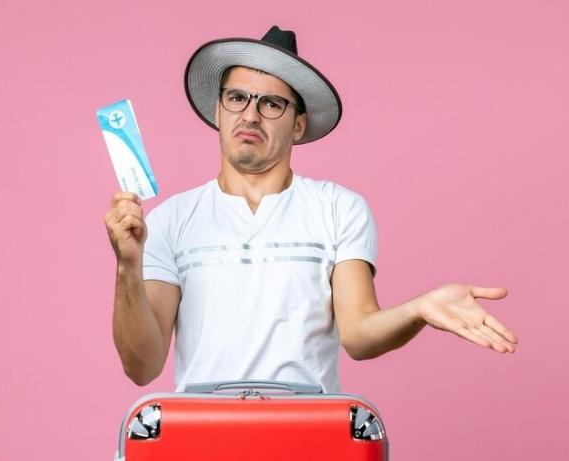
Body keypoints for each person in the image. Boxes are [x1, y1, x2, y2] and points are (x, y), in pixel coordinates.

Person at [104, 26, 518, 392]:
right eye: (236, 97)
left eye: (271, 104)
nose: (250, 114)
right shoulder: (169, 221)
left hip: (309, 432)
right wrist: (128, 265)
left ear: (298, 124)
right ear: (218, 110)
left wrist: (418, 309)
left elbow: (357, 334)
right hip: (201, 434)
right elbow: (142, 367)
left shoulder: (339, 209)